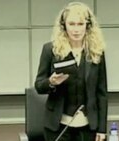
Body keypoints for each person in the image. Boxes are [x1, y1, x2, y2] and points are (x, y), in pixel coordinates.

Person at [35, 2, 107, 141]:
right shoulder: (50, 50)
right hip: (58, 126)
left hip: (88, 127)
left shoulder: (96, 52)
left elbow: (101, 93)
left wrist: (102, 129)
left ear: (88, 26)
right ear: (64, 26)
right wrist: (51, 82)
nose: (76, 29)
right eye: (71, 24)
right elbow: (39, 85)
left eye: (80, 24)